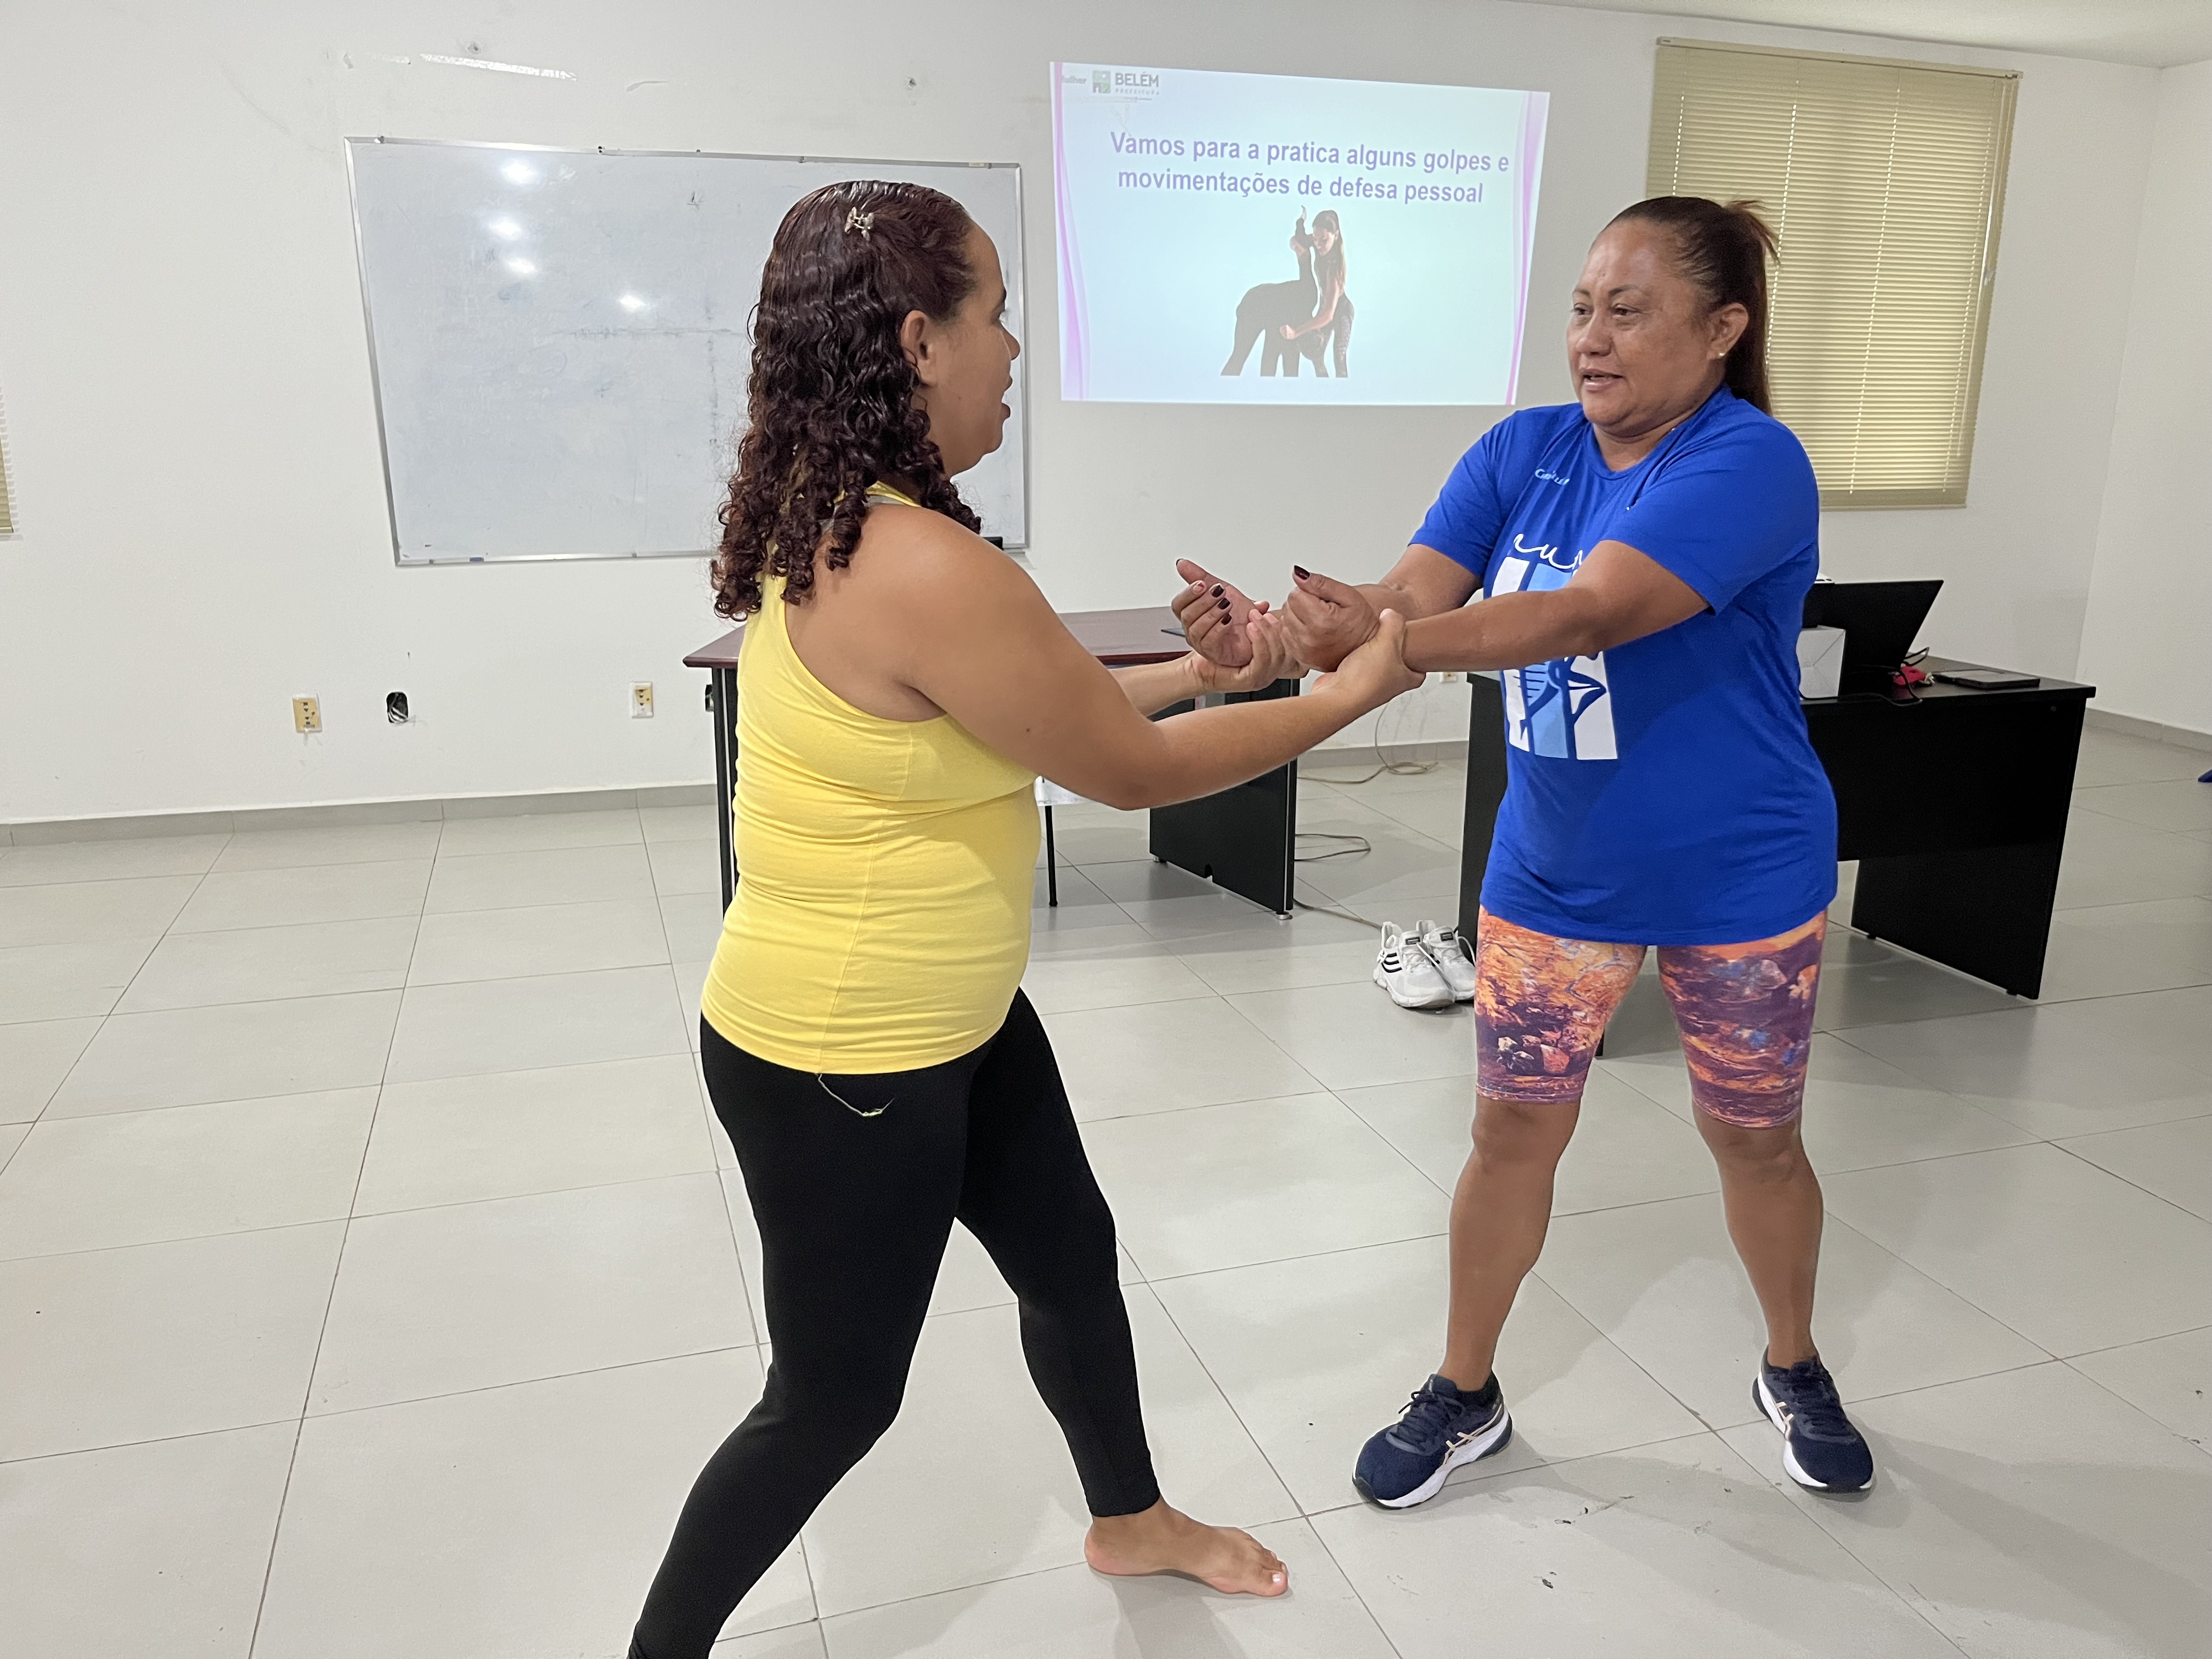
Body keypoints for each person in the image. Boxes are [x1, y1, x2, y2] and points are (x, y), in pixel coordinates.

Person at [628, 180, 1420, 1659]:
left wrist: (1216, 677)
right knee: (832, 1401)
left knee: (1069, 1258)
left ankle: (1131, 1517)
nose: (1013, 352)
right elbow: (1129, 775)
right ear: (919, 341)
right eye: (996, 315)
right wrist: (1346, 695)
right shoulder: (924, 563)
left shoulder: (851, 518)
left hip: (955, 1017)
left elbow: (1026, 716)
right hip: (847, 1054)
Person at [1174, 196, 1876, 1506]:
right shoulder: (1524, 449)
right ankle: (1466, 1390)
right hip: (1555, 874)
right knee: (1509, 1136)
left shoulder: (1752, 461)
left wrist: (1380, 643)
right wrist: (1296, 634)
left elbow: (1586, 613)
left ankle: (1795, 1361)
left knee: (1756, 1143)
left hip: (1740, 874)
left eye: (1628, 312)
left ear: (1724, 329)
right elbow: (1407, 599)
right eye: (1581, 309)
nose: (1590, 339)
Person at [1281, 209, 1353, 377]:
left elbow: (1328, 315)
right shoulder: (1319, 240)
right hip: (1324, 309)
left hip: (1341, 311)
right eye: (1315, 239)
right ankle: (1323, 389)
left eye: (1324, 240)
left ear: (1336, 235)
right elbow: (1296, 240)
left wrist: (1297, 332)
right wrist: (1299, 248)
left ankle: (1342, 392)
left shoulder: (1334, 268)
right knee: (1316, 356)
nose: (1318, 244)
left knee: (1339, 358)